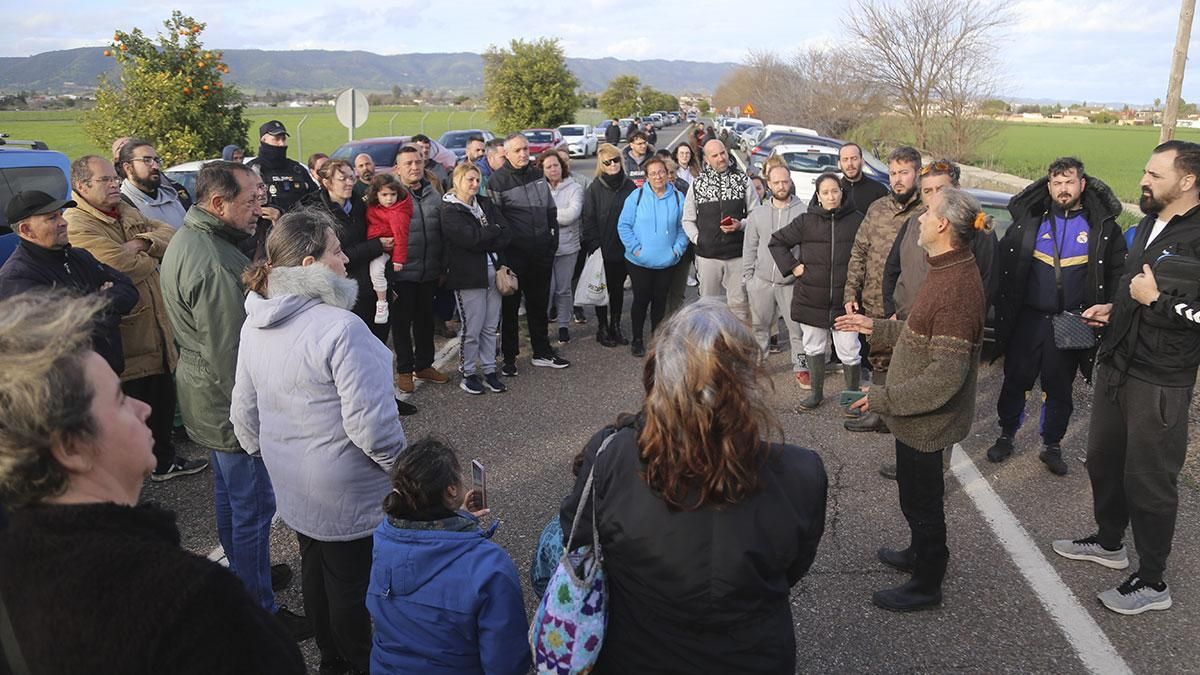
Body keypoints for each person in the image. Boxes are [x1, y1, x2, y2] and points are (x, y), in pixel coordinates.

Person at [0, 291, 306, 675]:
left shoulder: (19, 572)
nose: (143, 408)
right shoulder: (190, 606)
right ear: (72, 447)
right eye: (119, 399)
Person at [560, 298, 827, 673]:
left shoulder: (612, 454)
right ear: (748, 379)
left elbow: (577, 533)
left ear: (659, 376)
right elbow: (792, 565)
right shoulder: (802, 472)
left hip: (634, 654)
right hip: (754, 657)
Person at [233, 210, 408, 674]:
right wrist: (404, 472)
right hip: (345, 484)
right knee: (351, 584)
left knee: (315, 568)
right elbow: (372, 428)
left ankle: (331, 657)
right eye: (336, 251)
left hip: (292, 477)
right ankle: (359, 662)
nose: (346, 258)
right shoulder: (342, 329)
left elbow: (243, 411)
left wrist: (267, 453)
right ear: (309, 265)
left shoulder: (255, 321)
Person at [159, 161, 310, 636]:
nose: (258, 207)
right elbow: (233, 355)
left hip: (206, 393)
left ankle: (251, 576)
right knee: (251, 507)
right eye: (250, 200)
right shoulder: (212, 260)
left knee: (232, 499)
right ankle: (257, 608)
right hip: (226, 401)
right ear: (217, 203)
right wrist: (256, 417)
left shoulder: (200, 241)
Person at [1052, 140, 1200, 615]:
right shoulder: (1143, 229)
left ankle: (1153, 580)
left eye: (1156, 175)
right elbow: (1131, 290)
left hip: (1160, 377)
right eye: (1145, 171)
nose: (1144, 180)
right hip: (1117, 364)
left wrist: (1155, 301)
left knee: (1151, 480)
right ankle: (1111, 543)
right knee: (1103, 459)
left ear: (1188, 181)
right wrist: (1113, 310)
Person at [836, 188, 989, 612]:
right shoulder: (945, 267)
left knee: (923, 501)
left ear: (943, 226)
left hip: (928, 420)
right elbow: (922, 334)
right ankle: (918, 553)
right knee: (913, 495)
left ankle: (928, 581)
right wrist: (877, 327)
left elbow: (944, 376)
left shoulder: (957, 287)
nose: (919, 220)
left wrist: (881, 398)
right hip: (915, 417)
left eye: (927, 214)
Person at [64, 156, 207, 482]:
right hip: (127, 335)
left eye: (115, 178)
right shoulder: (77, 222)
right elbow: (116, 264)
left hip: (155, 326)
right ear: (82, 186)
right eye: (105, 180)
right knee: (131, 406)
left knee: (160, 400)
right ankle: (132, 475)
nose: (115, 184)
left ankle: (162, 461)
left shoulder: (125, 210)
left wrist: (142, 243)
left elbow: (172, 234)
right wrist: (151, 260)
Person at [986, 157, 1126, 475]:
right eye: (1057, 183)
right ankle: (1006, 435)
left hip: (1072, 321)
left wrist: (1112, 307)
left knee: (1059, 388)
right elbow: (1005, 265)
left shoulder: (1102, 227)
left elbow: (1119, 272)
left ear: (1082, 185)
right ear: (1048, 186)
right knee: (1015, 381)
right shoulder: (1032, 218)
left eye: (1069, 182)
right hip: (1028, 319)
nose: (1063, 189)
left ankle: (1052, 445)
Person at [368, 437, 531, 675]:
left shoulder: (384, 538)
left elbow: (424, 541)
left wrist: (460, 518)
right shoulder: (489, 565)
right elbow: (506, 661)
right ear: (451, 490)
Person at [0, 190, 138, 376]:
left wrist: (87, 306)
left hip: (107, 376)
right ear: (26, 230)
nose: (63, 222)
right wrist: (108, 307)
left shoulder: (80, 256)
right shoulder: (16, 277)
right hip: (69, 390)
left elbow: (129, 290)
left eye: (61, 215)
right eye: (51, 218)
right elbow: (64, 332)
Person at [842, 146, 923, 433]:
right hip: (875, 300)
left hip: (909, 305)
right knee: (878, 358)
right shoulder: (878, 208)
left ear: (917, 172)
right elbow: (859, 252)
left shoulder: (926, 212)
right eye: (892, 173)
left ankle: (900, 418)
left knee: (908, 363)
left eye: (904, 172)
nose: (897, 179)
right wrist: (850, 292)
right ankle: (878, 413)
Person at [770, 173, 865, 411]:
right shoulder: (806, 221)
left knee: (850, 351)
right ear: (818, 196)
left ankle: (851, 399)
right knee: (813, 346)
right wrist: (793, 266)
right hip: (812, 299)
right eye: (825, 192)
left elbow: (870, 253)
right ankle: (816, 394)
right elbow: (777, 242)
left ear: (842, 192)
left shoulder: (857, 220)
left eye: (835, 191)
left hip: (846, 300)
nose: (831, 196)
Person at [490, 132, 570, 374]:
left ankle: (542, 351)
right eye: (518, 150)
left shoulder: (537, 175)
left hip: (541, 253)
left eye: (525, 148)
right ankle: (510, 359)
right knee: (510, 310)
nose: (523, 153)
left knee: (539, 305)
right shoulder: (497, 182)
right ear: (506, 153)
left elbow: (550, 212)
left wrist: (551, 242)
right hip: (514, 257)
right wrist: (504, 260)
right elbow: (496, 223)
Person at [299, 161, 398, 347]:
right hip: (343, 291)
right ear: (327, 182)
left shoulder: (362, 204)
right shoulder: (317, 213)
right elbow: (335, 256)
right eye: (342, 178)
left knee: (378, 342)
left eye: (351, 177)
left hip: (371, 286)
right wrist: (376, 246)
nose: (349, 183)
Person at [442, 163, 511, 395]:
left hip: (494, 271)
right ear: (457, 181)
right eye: (469, 180)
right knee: (473, 327)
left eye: (476, 180)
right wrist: (492, 231)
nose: (474, 184)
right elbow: (469, 239)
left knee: (491, 326)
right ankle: (468, 372)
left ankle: (490, 369)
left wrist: (489, 234)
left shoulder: (485, 203)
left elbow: (506, 232)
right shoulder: (450, 210)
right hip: (468, 275)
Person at [390, 146, 452, 392]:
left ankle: (424, 365)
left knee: (425, 322)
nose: (414, 167)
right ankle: (405, 370)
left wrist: (443, 266)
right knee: (402, 325)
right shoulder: (390, 196)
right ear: (398, 168)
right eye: (408, 164)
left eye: (418, 162)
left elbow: (442, 232)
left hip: (429, 271)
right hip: (402, 273)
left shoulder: (434, 194)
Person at [617, 156, 688, 357]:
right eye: (653, 173)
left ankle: (657, 340)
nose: (658, 176)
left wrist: (677, 249)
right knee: (641, 299)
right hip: (638, 261)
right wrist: (636, 249)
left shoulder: (677, 197)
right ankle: (637, 339)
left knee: (660, 301)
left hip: (667, 261)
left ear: (667, 174)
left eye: (661, 172)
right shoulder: (636, 197)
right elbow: (624, 225)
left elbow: (684, 227)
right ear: (646, 176)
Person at [743, 164, 808, 381]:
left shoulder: (804, 212)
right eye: (776, 182)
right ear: (768, 184)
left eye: (785, 181)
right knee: (760, 328)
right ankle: (759, 366)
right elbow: (750, 247)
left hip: (790, 284)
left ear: (790, 182)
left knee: (796, 330)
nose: (781, 186)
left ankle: (801, 367)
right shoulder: (758, 214)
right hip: (761, 282)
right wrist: (749, 279)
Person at [682, 139, 757, 321]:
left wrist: (742, 225)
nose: (720, 158)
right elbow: (687, 219)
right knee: (708, 305)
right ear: (707, 159)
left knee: (738, 306)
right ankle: (709, 345)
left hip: (738, 254)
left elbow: (756, 214)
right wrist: (699, 239)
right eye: (714, 155)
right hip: (707, 256)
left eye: (722, 153)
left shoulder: (742, 180)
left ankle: (736, 346)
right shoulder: (698, 184)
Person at [581, 143, 637, 347]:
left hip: (623, 249)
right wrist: (595, 247)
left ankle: (615, 325)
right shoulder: (594, 188)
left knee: (617, 290)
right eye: (608, 162)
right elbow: (588, 219)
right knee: (600, 290)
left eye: (615, 160)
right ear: (601, 164)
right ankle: (602, 327)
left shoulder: (629, 185)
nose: (613, 164)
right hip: (601, 249)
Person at [541, 149, 584, 344]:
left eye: (556, 165)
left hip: (568, 247)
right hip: (544, 247)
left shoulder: (574, 188)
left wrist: (548, 215)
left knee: (563, 288)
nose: (553, 169)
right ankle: (542, 326)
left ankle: (564, 325)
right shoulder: (538, 189)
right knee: (546, 288)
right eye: (548, 166)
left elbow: (571, 215)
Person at [365, 173, 413, 325]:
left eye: (392, 194)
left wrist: (398, 259)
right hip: (373, 244)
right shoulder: (375, 207)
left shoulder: (397, 213)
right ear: (376, 194)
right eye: (384, 194)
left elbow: (401, 236)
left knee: (376, 271)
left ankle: (382, 302)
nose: (389, 198)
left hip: (385, 249)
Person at [247, 120, 318, 213]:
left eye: (283, 139)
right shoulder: (252, 170)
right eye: (276, 139)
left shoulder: (297, 169)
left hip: (298, 224)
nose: (281, 144)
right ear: (263, 140)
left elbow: (316, 199)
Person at [117, 139, 188, 229]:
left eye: (156, 160)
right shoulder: (122, 205)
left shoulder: (173, 197)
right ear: (128, 167)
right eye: (147, 160)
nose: (155, 166)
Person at [828, 143, 889, 216]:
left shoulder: (879, 191)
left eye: (854, 159)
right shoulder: (831, 193)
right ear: (839, 164)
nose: (850, 164)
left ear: (862, 161)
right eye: (845, 160)